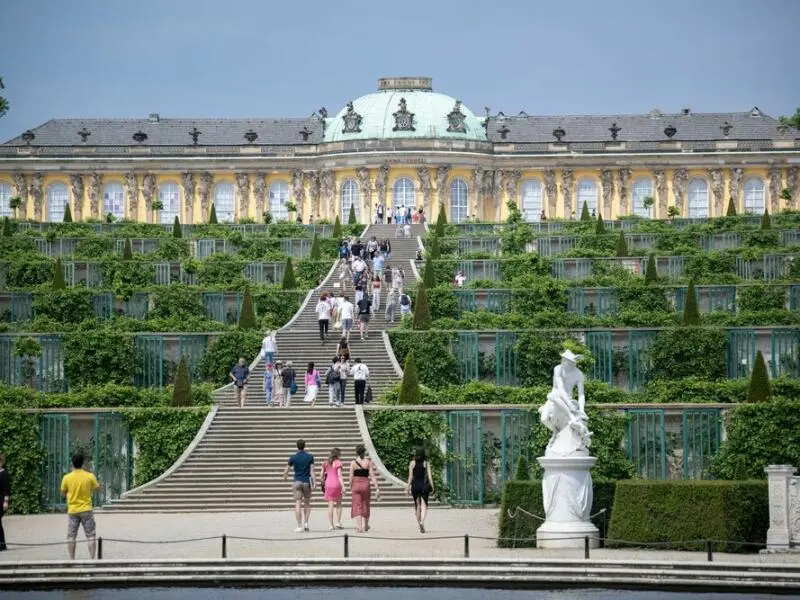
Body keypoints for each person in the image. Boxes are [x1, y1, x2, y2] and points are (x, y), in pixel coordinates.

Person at [60, 453, 100, 560]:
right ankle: (92, 559)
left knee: (71, 536)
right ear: (83, 464)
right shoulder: (89, 476)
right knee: (91, 535)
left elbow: (63, 494)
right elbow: (97, 488)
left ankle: (71, 560)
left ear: (72, 463)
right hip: (86, 509)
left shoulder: (66, 478)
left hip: (73, 510)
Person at [283, 439, 315, 533]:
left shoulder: (293, 457)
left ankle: (299, 526)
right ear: (304, 446)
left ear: (297, 446)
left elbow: (287, 469)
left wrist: (285, 476)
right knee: (307, 503)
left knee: (298, 504)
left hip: (297, 481)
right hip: (306, 482)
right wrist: (315, 482)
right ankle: (306, 523)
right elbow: (312, 471)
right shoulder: (310, 457)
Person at [349, 444, 380, 534]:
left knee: (357, 505)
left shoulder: (353, 463)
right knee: (365, 504)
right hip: (366, 485)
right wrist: (377, 487)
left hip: (356, 485)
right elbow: (372, 476)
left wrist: (349, 485)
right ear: (364, 452)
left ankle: (359, 527)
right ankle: (366, 525)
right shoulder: (368, 462)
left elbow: (351, 476)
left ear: (356, 452)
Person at [406, 447, 434, 533]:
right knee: (424, 505)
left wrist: (407, 487)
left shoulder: (412, 463)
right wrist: (432, 487)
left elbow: (410, 476)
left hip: (415, 486)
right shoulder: (426, 463)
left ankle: (419, 524)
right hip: (424, 486)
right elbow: (429, 476)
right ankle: (422, 522)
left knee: (417, 506)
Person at [320, 448, 344, 530]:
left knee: (330, 505)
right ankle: (338, 522)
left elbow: (321, 475)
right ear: (338, 455)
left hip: (328, 484)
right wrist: (343, 487)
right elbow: (339, 475)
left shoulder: (325, 462)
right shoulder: (338, 463)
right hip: (337, 484)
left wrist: (322, 481)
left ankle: (331, 525)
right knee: (339, 504)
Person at [0, 453, 9, 551]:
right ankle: (2, 544)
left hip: (1, 500)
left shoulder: (4, 473)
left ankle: (2, 544)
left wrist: (6, 502)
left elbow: (7, 489)